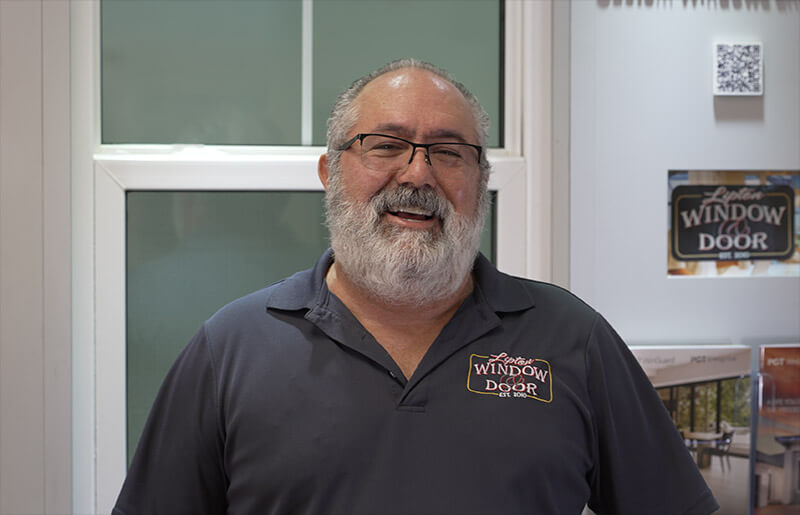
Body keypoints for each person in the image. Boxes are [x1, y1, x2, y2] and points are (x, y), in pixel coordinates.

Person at [113, 59, 718, 515]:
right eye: (386, 145)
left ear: (479, 181)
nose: (418, 172)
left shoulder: (572, 338)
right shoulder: (232, 348)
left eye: (449, 152)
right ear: (330, 173)